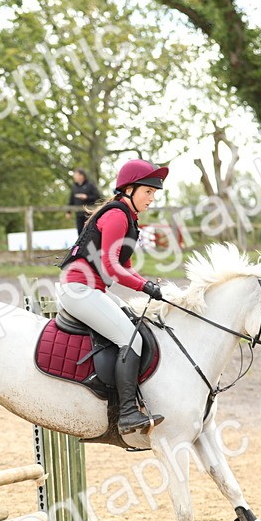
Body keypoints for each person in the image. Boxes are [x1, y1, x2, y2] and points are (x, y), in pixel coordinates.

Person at [56, 159, 168, 436]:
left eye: (154, 194)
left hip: (92, 290)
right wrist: (144, 289)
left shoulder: (129, 219)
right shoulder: (117, 216)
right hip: (79, 289)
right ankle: (127, 412)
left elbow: (125, 266)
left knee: (135, 325)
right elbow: (110, 267)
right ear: (129, 189)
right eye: (148, 192)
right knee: (131, 338)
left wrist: (149, 284)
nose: (152, 199)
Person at [69, 168, 101, 233]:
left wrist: (87, 197)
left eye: (76, 175)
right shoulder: (74, 187)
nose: (74, 176)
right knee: (80, 232)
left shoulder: (90, 185)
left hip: (89, 214)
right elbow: (71, 199)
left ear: (81, 175)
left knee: (89, 232)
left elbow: (97, 197)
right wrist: (68, 211)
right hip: (78, 214)